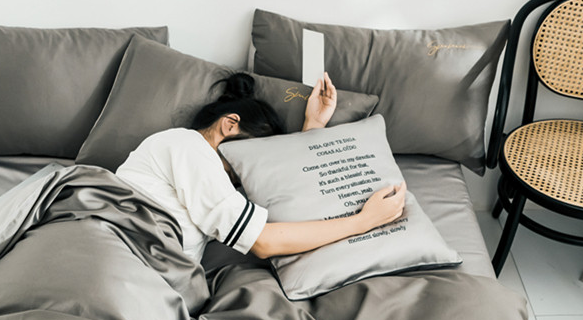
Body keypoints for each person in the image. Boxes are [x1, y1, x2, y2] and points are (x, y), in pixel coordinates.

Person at [115, 72, 406, 261]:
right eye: (252, 154)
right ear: (230, 125)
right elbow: (264, 242)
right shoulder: (189, 146)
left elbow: (280, 191)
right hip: (117, 249)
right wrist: (362, 222)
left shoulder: (208, 180)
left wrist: (313, 126)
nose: (247, 173)